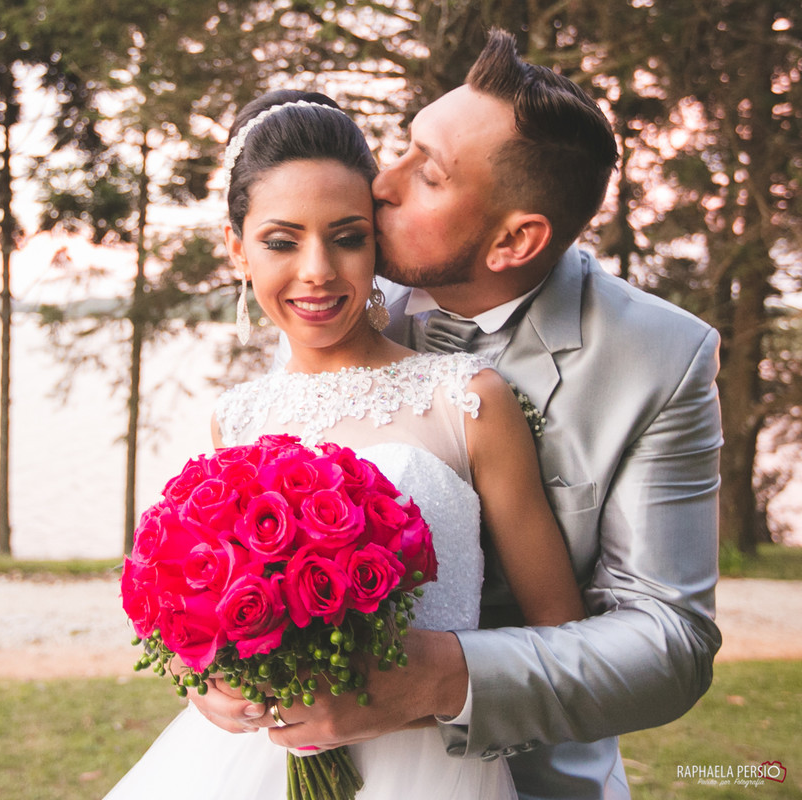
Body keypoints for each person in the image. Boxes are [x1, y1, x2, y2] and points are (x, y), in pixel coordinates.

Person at [211, 29, 723, 800]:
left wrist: (440, 680)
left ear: (515, 238)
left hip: (524, 776)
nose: (382, 183)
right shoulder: (342, 294)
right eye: (405, 147)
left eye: (430, 175)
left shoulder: (661, 359)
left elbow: (670, 642)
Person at [105, 88, 587, 799]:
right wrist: (203, 684)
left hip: (432, 773)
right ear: (237, 248)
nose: (318, 270)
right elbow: (194, 621)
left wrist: (422, 694)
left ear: (376, 241)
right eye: (281, 239)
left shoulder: (467, 400)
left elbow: (563, 643)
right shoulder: (236, 418)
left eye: (347, 235)